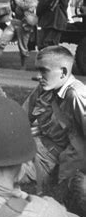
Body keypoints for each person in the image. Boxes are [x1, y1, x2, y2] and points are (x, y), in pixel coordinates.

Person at [22, 46, 86, 195]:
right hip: (33, 144)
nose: (38, 76)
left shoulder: (77, 95)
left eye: (43, 71)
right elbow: (22, 115)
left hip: (49, 158)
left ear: (63, 72)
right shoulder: (46, 87)